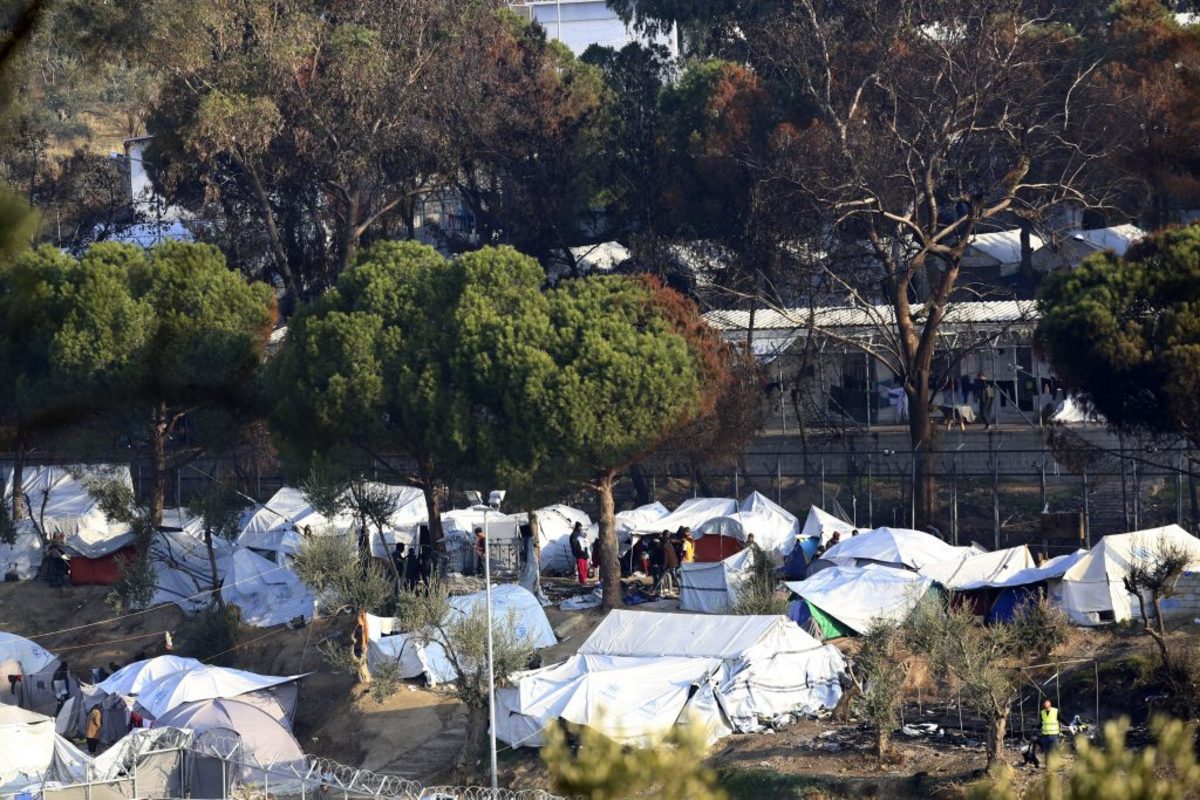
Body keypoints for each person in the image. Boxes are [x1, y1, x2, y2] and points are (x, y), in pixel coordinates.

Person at [1032, 698, 1060, 767]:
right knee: (1046, 752)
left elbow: (1061, 719)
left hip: (1054, 735)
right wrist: (1036, 727)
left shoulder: (1055, 711)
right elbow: (1042, 723)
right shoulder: (1042, 713)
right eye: (1044, 703)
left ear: (1050, 703)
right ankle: (1048, 766)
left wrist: (1068, 725)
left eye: (1047, 703)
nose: (1045, 704)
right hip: (1045, 736)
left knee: (1055, 751)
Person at [656, 531, 679, 596]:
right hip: (673, 563)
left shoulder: (665, 546)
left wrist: (664, 566)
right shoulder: (670, 544)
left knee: (661, 577)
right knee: (674, 577)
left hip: (669, 564)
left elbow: (666, 558)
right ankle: (679, 589)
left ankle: (654, 590)